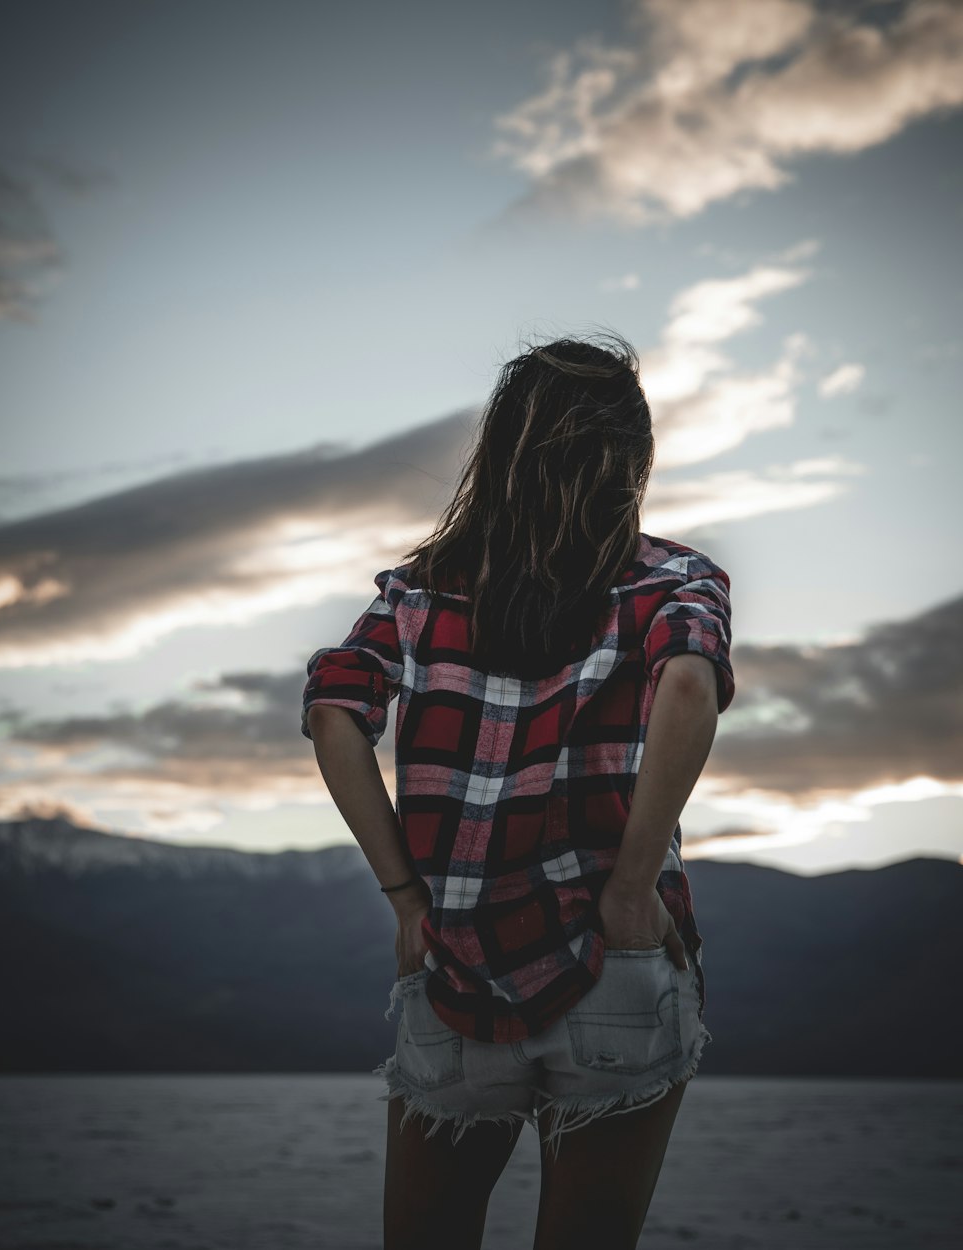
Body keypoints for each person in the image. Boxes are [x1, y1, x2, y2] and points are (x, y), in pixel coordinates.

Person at [302, 331, 736, 1250]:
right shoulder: (672, 579)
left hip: (455, 963)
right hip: (614, 960)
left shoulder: (418, 595)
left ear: (499, 454)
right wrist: (628, 891)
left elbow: (336, 711)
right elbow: (692, 687)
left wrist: (406, 900)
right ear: (630, 459)